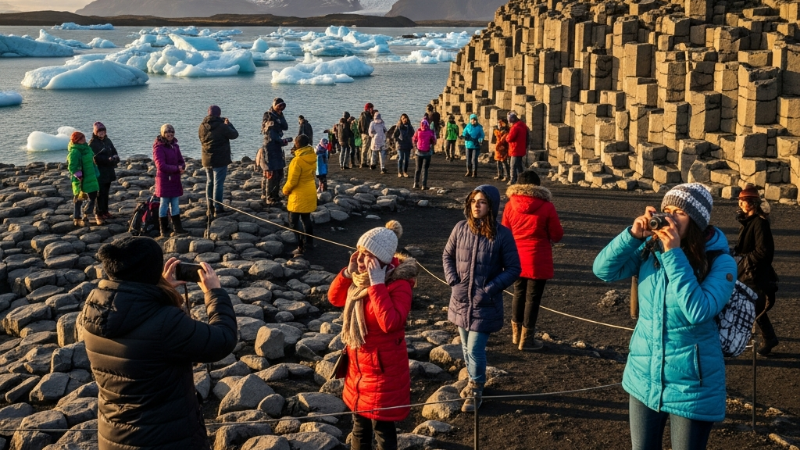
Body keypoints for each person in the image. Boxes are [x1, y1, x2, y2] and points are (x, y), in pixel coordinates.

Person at [593, 183, 736, 450]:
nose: (669, 217)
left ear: (696, 221)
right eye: (666, 210)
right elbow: (603, 270)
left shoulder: (721, 261)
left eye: (679, 212)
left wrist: (674, 254)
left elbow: (699, 310)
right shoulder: (651, 249)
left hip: (692, 383)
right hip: (644, 374)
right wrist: (633, 235)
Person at [80, 236, 237, 450]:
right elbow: (223, 340)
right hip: (167, 438)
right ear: (151, 270)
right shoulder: (164, 322)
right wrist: (214, 293)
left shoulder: (93, 310)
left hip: (114, 437)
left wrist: (161, 290)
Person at [328, 220, 416, 450]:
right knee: (359, 426)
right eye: (359, 251)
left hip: (382, 370)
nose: (360, 257)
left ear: (381, 259)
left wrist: (377, 284)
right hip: (357, 366)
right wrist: (347, 273)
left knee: (382, 428)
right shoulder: (358, 279)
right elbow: (334, 299)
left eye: (366, 254)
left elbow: (391, 323)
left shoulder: (398, 284)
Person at [443, 185, 521, 412]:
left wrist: (490, 289)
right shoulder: (460, 228)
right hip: (460, 300)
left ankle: (476, 389)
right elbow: (447, 254)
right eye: (474, 201)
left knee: (475, 348)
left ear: (492, 206)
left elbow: (514, 268)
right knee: (466, 348)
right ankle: (472, 381)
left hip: (485, 302)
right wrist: (453, 281)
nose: (476, 205)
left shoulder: (502, 234)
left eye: (482, 202)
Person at [501, 171, 563, 350]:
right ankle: (527, 339)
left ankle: (516, 335)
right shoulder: (547, 206)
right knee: (533, 298)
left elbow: (505, 231)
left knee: (518, 293)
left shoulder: (509, 205)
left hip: (516, 256)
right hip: (538, 255)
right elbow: (557, 235)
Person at [734, 184, 779, 355]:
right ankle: (769, 338)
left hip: (755, 273)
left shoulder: (759, 224)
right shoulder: (748, 222)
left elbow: (764, 252)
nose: (740, 205)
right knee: (753, 305)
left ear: (751, 203)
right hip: (748, 271)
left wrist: (745, 260)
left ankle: (764, 338)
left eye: (742, 201)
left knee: (750, 304)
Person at [199, 105, 239, 218]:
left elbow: (201, 139)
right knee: (218, 184)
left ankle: (209, 207)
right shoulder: (222, 126)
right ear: (219, 114)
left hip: (206, 158)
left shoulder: (202, 126)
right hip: (220, 159)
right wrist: (229, 124)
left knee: (210, 182)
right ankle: (218, 208)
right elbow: (234, 135)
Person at [283, 135, 317, 256]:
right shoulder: (312, 156)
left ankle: (300, 246)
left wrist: (285, 190)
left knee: (293, 221)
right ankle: (309, 242)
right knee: (306, 219)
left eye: (295, 142)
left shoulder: (297, 161)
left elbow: (292, 181)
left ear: (298, 144)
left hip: (298, 194)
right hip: (310, 190)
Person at [153, 124, 187, 238]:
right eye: (167, 132)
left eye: (172, 132)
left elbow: (181, 160)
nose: (170, 134)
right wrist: (176, 169)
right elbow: (160, 165)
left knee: (175, 204)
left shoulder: (175, 146)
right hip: (164, 180)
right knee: (164, 204)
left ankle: (178, 228)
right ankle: (164, 229)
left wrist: (182, 167)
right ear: (163, 133)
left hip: (175, 179)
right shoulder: (158, 147)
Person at [262, 98, 291, 206]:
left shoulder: (278, 116)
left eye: (282, 106)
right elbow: (270, 133)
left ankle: (275, 195)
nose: (281, 108)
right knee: (272, 172)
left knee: (279, 172)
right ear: (274, 105)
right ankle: (269, 197)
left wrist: (281, 116)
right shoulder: (268, 115)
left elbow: (285, 127)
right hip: (270, 147)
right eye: (279, 106)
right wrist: (282, 141)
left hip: (277, 146)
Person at [67, 131, 101, 227]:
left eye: (83, 138)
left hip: (91, 175)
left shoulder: (87, 148)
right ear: (76, 140)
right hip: (81, 178)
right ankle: (77, 218)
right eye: (80, 139)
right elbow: (72, 166)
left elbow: (92, 161)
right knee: (79, 198)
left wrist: (96, 171)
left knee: (93, 195)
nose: (83, 140)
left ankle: (86, 212)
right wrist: (78, 174)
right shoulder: (74, 151)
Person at [88, 122, 119, 220]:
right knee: (100, 193)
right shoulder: (93, 143)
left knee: (106, 192)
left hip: (109, 170)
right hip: (99, 171)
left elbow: (113, 150)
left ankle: (105, 211)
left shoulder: (107, 140)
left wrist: (115, 157)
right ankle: (99, 213)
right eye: (99, 131)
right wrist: (107, 159)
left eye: (103, 131)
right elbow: (95, 158)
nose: (102, 133)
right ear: (95, 132)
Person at [506, 111, 529, 185]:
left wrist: (506, 136)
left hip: (515, 149)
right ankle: (522, 180)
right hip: (521, 148)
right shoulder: (523, 125)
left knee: (513, 165)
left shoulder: (515, 127)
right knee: (519, 166)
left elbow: (509, 138)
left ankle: (513, 180)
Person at [412, 120, 436, 190]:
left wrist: (415, 147)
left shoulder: (418, 131)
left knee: (417, 168)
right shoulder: (430, 132)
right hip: (427, 152)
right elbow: (433, 141)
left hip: (418, 152)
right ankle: (424, 185)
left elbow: (414, 139)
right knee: (425, 169)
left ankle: (415, 183)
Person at [393, 114, 414, 178]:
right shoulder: (399, 127)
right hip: (400, 145)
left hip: (407, 144)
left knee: (407, 159)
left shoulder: (409, 126)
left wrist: (409, 139)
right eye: (403, 118)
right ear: (401, 119)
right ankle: (399, 172)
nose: (405, 119)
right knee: (401, 158)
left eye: (405, 118)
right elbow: (395, 135)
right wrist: (397, 140)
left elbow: (412, 133)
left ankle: (405, 171)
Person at [359, 103, 374, 168]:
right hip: (366, 133)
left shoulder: (366, 115)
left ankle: (367, 161)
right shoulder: (365, 116)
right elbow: (367, 125)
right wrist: (365, 132)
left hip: (365, 133)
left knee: (367, 148)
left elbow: (359, 125)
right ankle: (363, 162)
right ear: (368, 108)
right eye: (371, 108)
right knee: (365, 148)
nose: (372, 109)